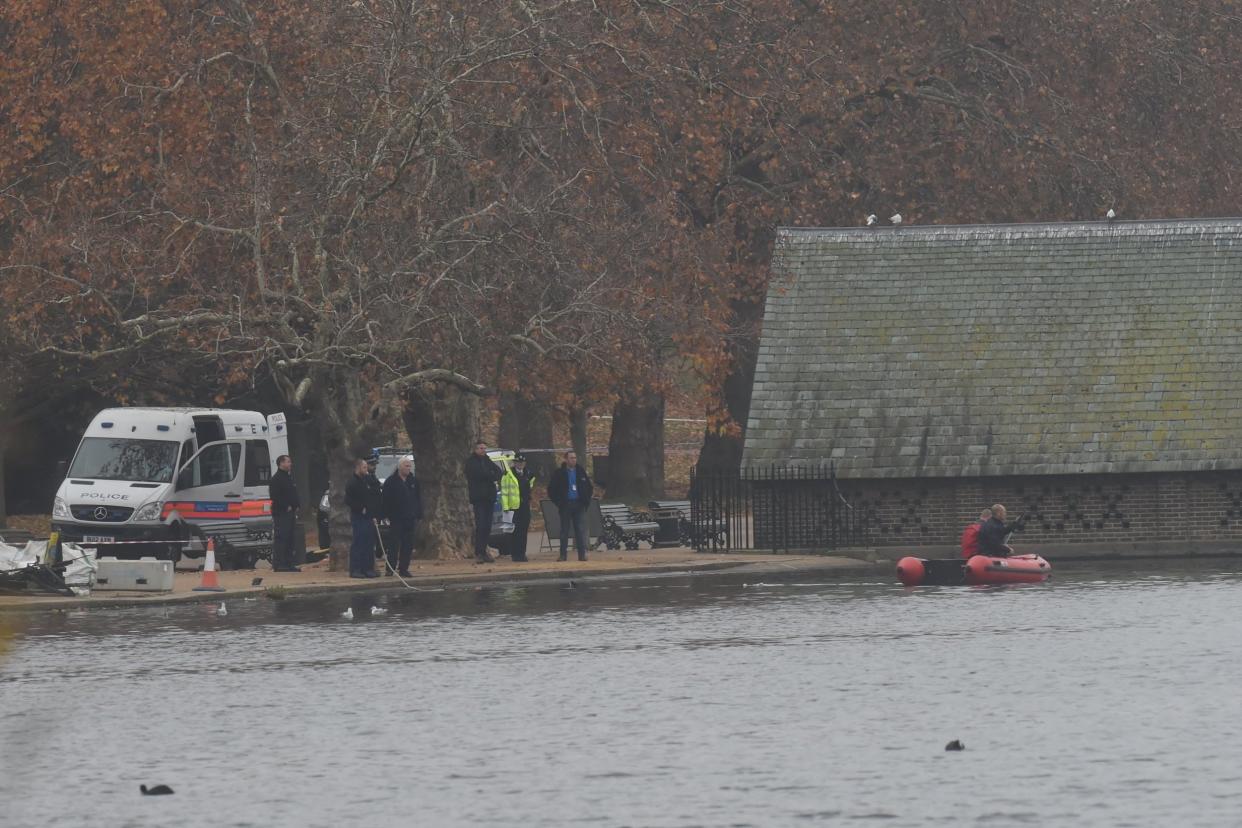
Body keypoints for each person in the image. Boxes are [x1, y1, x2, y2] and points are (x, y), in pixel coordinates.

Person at [548, 450, 593, 562]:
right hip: (566, 505)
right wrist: (559, 502)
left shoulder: (580, 471)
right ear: (566, 459)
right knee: (565, 530)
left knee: (580, 530)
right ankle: (563, 555)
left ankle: (582, 555)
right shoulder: (559, 473)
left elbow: (588, 487)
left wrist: (585, 500)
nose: (574, 460)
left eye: (575, 457)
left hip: (578, 504)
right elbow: (551, 489)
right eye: (571, 458)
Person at [382, 456, 423, 577]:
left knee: (408, 545)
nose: (408, 468)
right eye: (406, 466)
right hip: (396, 517)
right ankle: (390, 568)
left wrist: (419, 513)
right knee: (394, 544)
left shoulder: (413, 481)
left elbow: (418, 498)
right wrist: (385, 514)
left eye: (410, 466)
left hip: (410, 517)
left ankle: (404, 568)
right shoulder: (391, 481)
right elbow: (385, 499)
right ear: (400, 467)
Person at [464, 441, 502, 564]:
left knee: (487, 526)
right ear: (475, 449)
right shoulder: (471, 462)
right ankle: (478, 552)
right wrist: (490, 475)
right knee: (480, 525)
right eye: (481, 448)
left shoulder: (487, 460)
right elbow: (479, 474)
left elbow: (498, 471)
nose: (483, 450)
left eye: (485, 448)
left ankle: (484, 550)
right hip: (478, 498)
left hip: (489, 497)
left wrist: (491, 475)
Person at [344, 458, 381, 578]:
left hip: (369, 515)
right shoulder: (352, 482)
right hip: (359, 515)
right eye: (364, 467)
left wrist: (373, 513)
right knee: (359, 542)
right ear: (358, 467)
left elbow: (375, 491)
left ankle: (368, 568)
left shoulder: (366, 480)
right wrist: (360, 508)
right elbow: (348, 500)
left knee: (369, 542)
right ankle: (356, 569)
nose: (366, 470)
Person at [269, 454, 301, 572]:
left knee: (290, 538)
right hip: (281, 513)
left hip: (291, 512)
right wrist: (285, 506)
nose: (290, 464)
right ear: (281, 463)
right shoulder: (276, 479)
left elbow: (293, 493)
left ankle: (289, 562)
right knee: (281, 537)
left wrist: (296, 505)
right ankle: (280, 563)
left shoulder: (289, 477)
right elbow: (275, 496)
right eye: (288, 462)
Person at [507, 454, 537, 562]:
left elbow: (530, 488)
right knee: (515, 531)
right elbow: (505, 492)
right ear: (514, 463)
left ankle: (522, 553)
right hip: (513, 507)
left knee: (523, 530)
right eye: (518, 462)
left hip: (524, 506)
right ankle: (515, 554)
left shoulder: (528, 474)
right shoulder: (509, 474)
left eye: (522, 463)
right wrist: (506, 507)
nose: (520, 465)